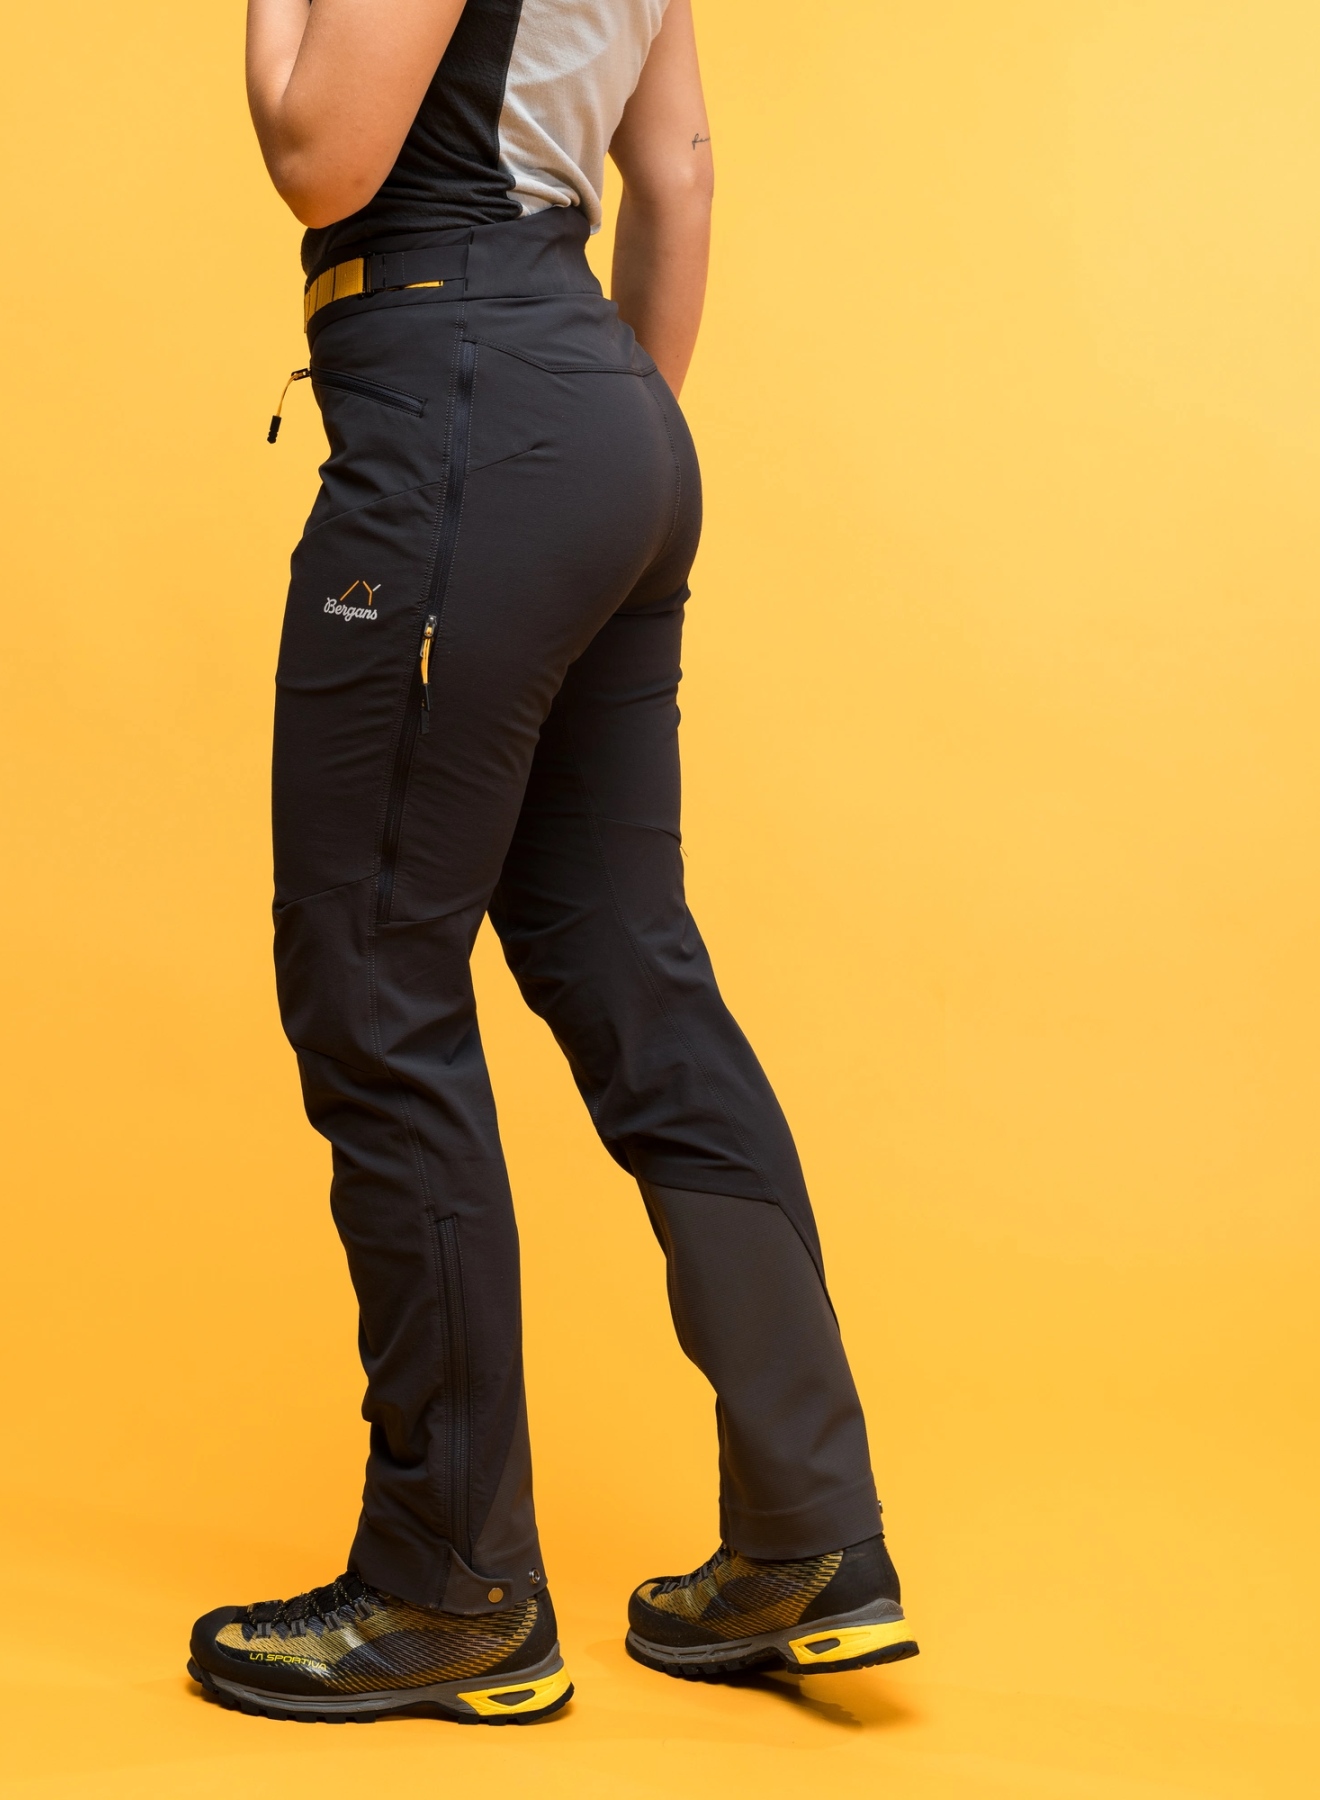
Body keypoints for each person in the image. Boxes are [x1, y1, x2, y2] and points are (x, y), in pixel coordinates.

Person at [187, 0, 917, 1725]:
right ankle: (810, 1538)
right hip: (595, 411)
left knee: (374, 973)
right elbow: (679, 173)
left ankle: (448, 1582)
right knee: (629, 967)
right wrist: (591, 452)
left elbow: (322, 153)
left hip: (467, 392)